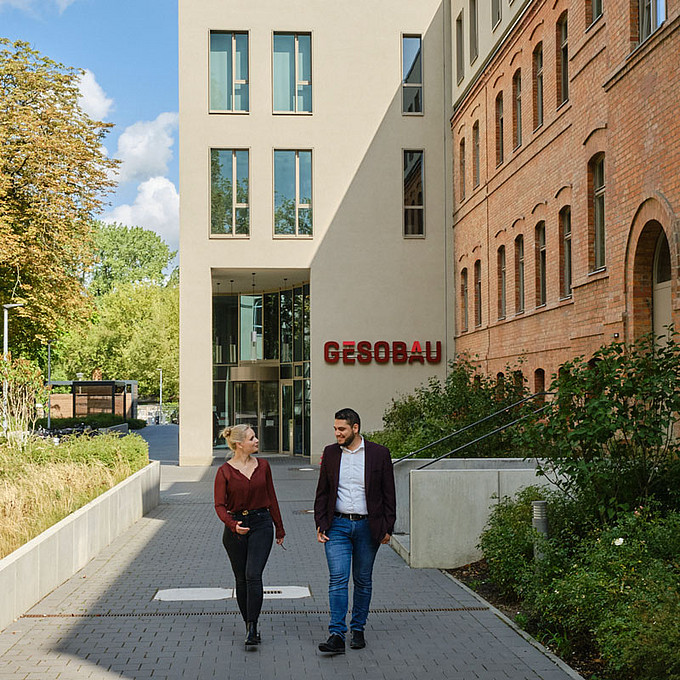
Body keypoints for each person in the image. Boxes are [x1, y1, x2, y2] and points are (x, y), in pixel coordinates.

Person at [314, 408, 396, 654]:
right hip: (337, 525)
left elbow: (389, 493)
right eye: (335, 429)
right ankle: (337, 634)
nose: (337, 433)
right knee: (338, 579)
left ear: (356, 428)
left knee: (362, 580)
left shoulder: (379, 454)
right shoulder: (330, 453)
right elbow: (323, 492)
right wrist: (320, 522)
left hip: (367, 527)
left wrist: (388, 527)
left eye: (342, 429)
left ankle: (358, 628)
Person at [214, 424, 285, 647]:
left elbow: (271, 497)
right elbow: (219, 505)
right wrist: (233, 525)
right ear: (239, 444)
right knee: (241, 579)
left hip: (262, 524)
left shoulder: (263, 466)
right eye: (252, 438)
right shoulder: (224, 471)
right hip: (235, 528)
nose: (257, 441)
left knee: (253, 574)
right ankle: (248, 624)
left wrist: (279, 528)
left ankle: (252, 627)